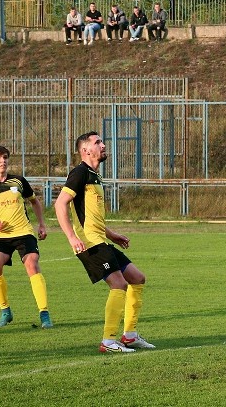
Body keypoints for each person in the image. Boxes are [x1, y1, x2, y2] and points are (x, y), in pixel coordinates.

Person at [54, 131, 155, 353]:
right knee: (119, 284)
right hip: (89, 243)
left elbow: (91, 218)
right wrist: (72, 237)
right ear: (85, 150)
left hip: (101, 240)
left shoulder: (95, 176)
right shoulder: (79, 173)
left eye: (102, 141)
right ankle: (108, 341)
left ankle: (129, 336)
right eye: (97, 142)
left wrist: (113, 235)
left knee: (137, 278)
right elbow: (60, 204)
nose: (103, 145)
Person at [0, 146, 53, 329]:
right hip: (1, 236)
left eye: (5, 157)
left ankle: (44, 314)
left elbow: (35, 202)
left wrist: (41, 224)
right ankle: (5, 311)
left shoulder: (19, 181)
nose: (2, 161)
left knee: (32, 264)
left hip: (24, 232)